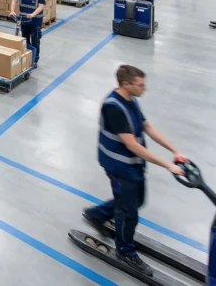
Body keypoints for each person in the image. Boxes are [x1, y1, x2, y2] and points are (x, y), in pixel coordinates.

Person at [83, 65, 185, 277]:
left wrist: (174, 150)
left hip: (132, 164)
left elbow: (147, 127)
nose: (144, 88)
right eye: (140, 85)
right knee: (129, 211)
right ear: (126, 84)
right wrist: (168, 165)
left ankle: (96, 215)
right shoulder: (114, 107)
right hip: (119, 166)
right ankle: (125, 252)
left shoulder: (131, 100)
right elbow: (132, 145)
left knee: (136, 202)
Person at [9, 0, 45, 66]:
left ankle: (35, 60)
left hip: (35, 22)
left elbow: (41, 6)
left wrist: (33, 14)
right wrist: (12, 11)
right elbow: (14, 1)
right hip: (24, 21)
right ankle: (27, 57)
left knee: (35, 41)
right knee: (25, 40)